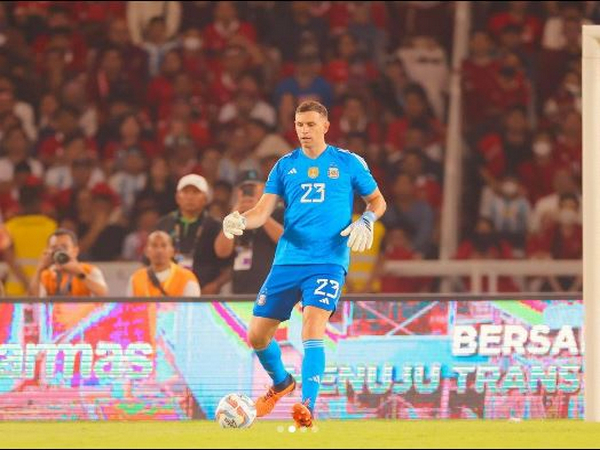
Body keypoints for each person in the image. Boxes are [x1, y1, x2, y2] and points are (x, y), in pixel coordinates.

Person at [222, 100, 386, 428]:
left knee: (313, 325)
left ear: (326, 126)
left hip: (328, 260)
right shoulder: (284, 166)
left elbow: (378, 200)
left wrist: (366, 220)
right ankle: (282, 383)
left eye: (310, 124)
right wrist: (238, 220)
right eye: (299, 125)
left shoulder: (348, 162)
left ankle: (307, 408)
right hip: (288, 261)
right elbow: (262, 211)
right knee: (256, 336)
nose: (304, 131)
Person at [156, 174, 230, 293]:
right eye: (185, 192)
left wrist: (216, 285)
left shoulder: (216, 226)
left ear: (206, 198)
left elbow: (228, 266)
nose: (190, 197)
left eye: (196, 192)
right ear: (177, 197)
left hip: (205, 293)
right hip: (169, 292)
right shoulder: (164, 224)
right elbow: (150, 260)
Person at [215, 170, 283, 294]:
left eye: (253, 187)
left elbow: (287, 242)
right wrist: (234, 213)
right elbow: (222, 252)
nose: (248, 192)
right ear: (237, 192)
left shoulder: (279, 212)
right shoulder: (234, 217)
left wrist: (260, 213)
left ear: (265, 188)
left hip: (273, 289)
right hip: (240, 291)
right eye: (244, 188)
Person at [30, 228, 108, 297]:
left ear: (75, 251)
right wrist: (39, 269)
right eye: (54, 248)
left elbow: (103, 295)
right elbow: (33, 299)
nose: (59, 251)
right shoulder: (46, 274)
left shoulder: (89, 270)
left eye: (64, 247)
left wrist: (79, 274)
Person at [127, 231, 200, 297]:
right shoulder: (135, 279)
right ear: (146, 251)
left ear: (172, 251)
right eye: (154, 245)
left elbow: (192, 309)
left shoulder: (187, 278)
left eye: (164, 246)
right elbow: (128, 309)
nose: (159, 250)